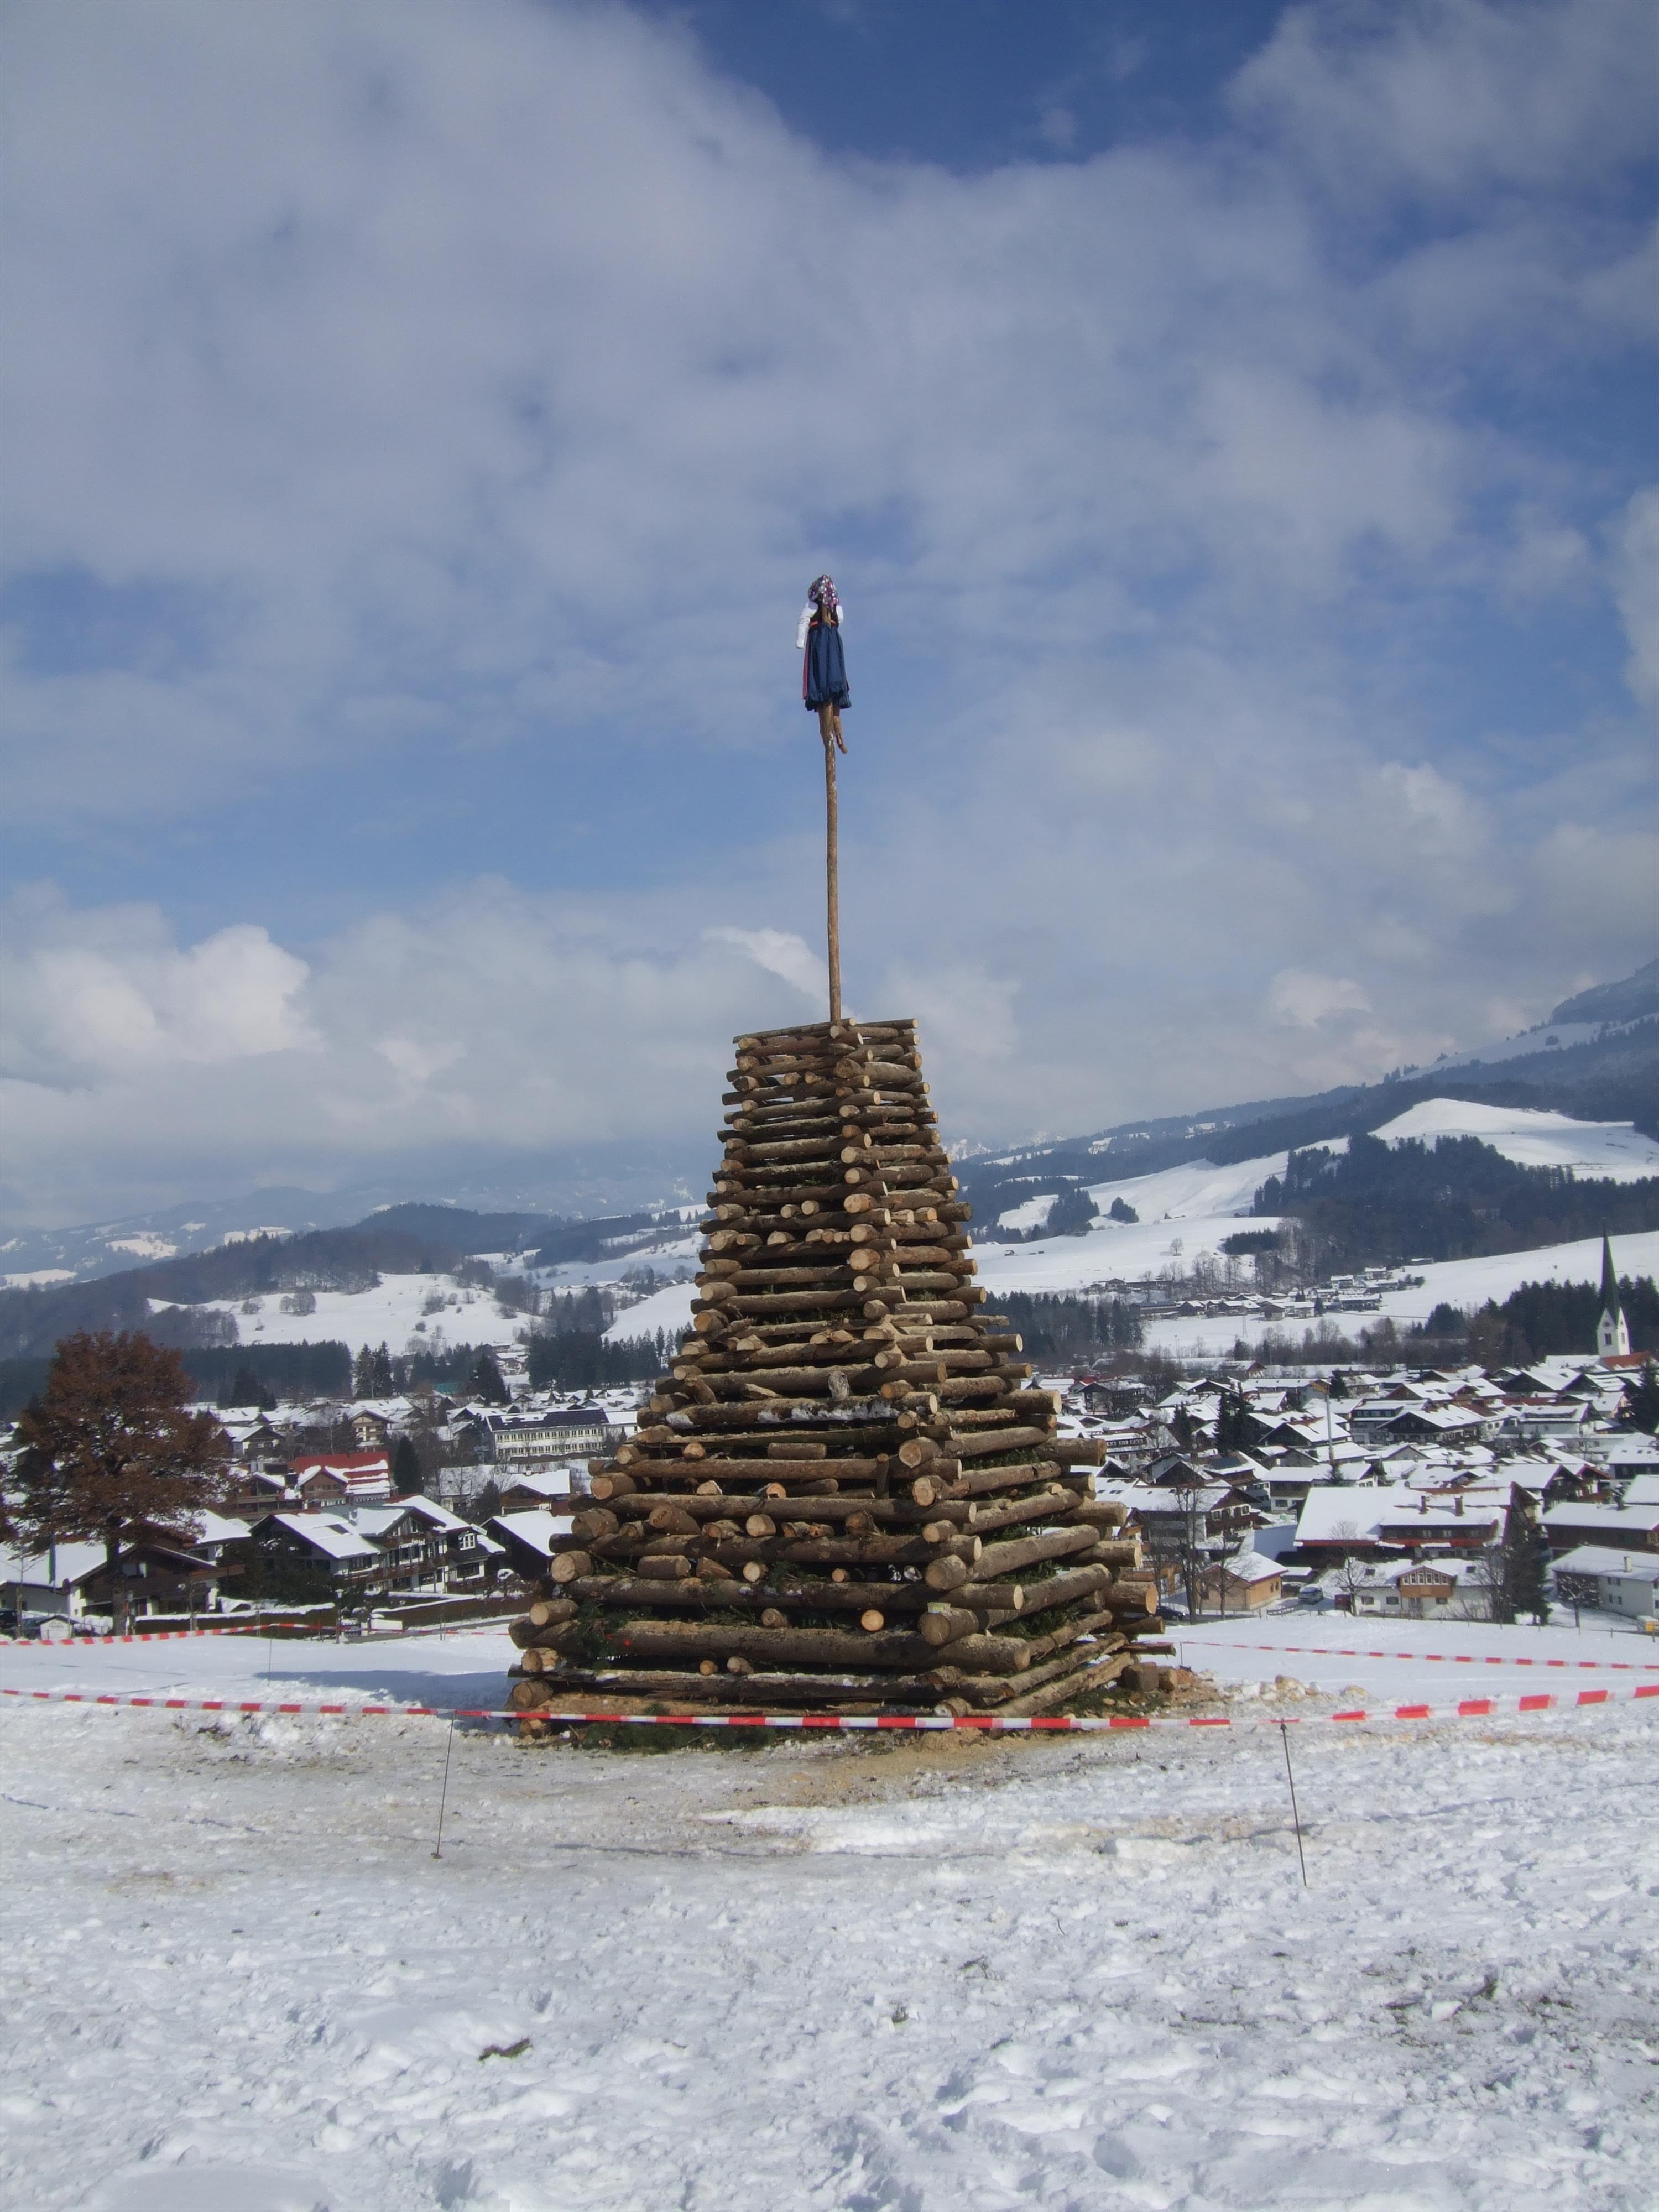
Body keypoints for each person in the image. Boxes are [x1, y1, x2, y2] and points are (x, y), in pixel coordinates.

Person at [796, 573, 849, 752]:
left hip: (829, 646)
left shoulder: (831, 609)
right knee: (826, 691)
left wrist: (801, 642)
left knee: (833, 691)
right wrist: (800, 642)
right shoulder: (815, 608)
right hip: (822, 645)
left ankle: (836, 736)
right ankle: (830, 737)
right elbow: (804, 621)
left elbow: (839, 618)